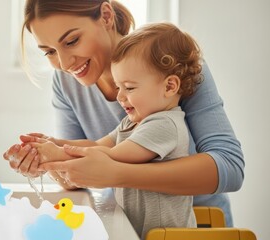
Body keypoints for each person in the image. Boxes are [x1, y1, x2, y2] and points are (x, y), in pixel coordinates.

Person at [3, 0, 244, 228]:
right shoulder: (66, 83)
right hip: (128, 225)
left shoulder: (171, 65)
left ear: (106, 16)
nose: (65, 64)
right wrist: (49, 157)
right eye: (49, 52)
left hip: (195, 226)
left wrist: (118, 174)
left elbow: (230, 167)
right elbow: (78, 178)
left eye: (72, 41)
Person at [22, 22, 202, 239]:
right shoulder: (133, 122)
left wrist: (56, 154)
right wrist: (52, 143)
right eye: (119, 87)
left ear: (169, 86)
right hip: (135, 231)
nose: (120, 97)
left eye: (130, 87)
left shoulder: (165, 125)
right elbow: (98, 146)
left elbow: (115, 157)